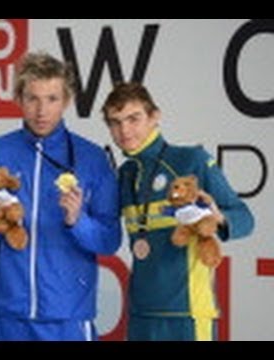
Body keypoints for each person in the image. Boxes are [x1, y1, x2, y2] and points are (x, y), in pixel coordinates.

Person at [0, 51, 122, 341]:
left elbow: (110, 239)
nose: (41, 110)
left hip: (69, 317)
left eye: (51, 99)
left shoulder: (92, 158)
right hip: (10, 314)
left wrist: (78, 221)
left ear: (66, 101)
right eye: (32, 98)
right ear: (18, 99)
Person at [101, 82, 255, 341]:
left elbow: (246, 218)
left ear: (154, 116)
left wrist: (219, 219)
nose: (124, 130)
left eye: (133, 118)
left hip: (188, 315)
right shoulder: (126, 174)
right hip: (141, 317)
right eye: (115, 122)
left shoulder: (190, 159)